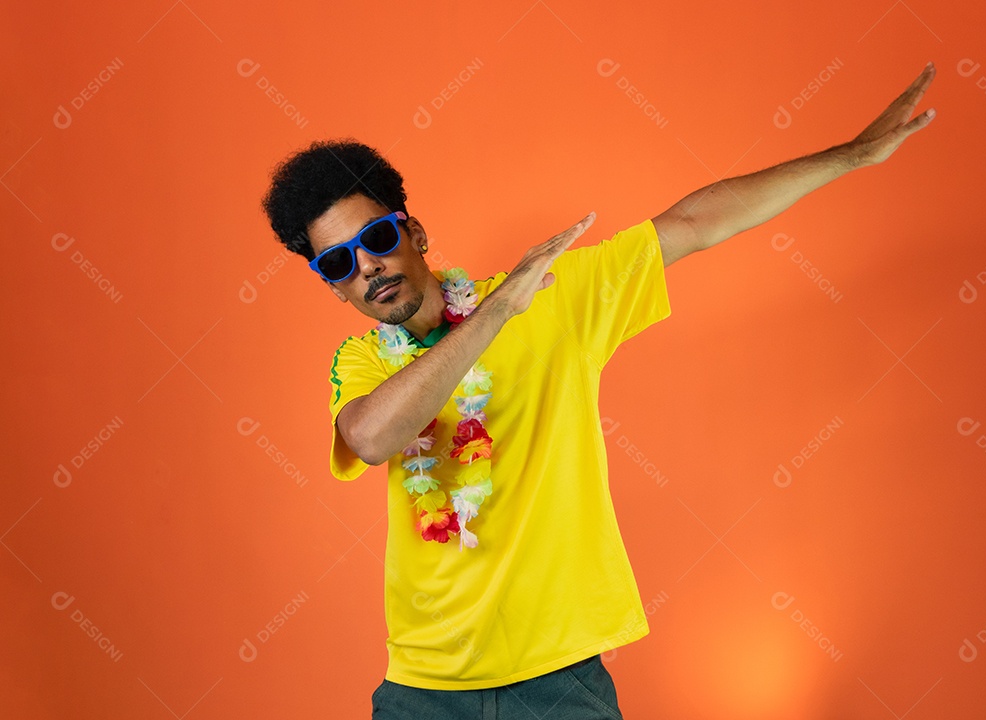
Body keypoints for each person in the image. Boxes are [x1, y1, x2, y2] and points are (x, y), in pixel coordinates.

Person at [260, 62, 936, 719]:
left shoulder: (550, 297)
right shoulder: (365, 363)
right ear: (333, 284)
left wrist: (849, 157)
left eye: (376, 237)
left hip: (558, 682)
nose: (368, 266)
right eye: (339, 263)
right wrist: (497, 314)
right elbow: (375, 437)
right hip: (422, 689)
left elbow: (694, 224)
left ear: (414, 231)